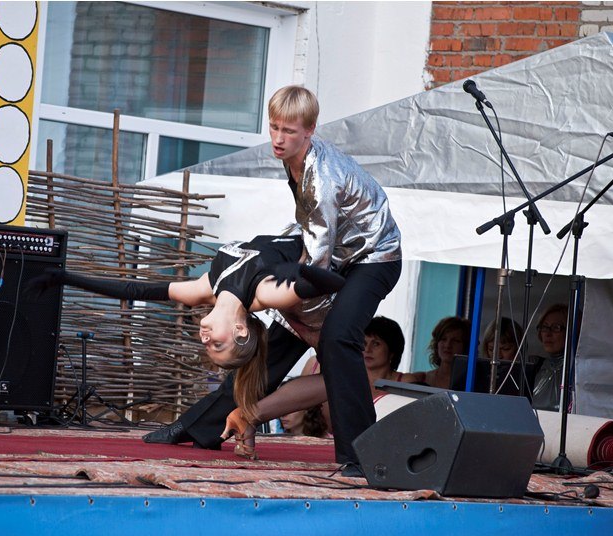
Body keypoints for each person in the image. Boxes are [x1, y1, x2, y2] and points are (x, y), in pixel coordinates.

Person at [146, 85, 402, 477]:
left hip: (373, 259)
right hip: (333, 257)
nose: (279, 139)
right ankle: (201, 426)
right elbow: (310, 239)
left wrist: (297, 307)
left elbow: (317, 263)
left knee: (337, 339)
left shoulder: (322, 178)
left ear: (310, 130)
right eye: (274, 128)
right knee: (277, 338)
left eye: (289, 131)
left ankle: (361, 455)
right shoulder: (294, 160)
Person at [26, 233, 344, 424]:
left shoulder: (204, 289)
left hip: (315, 230)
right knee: (341, 375)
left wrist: (65, 278)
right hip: (337, 244)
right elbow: (331, 282)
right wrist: (300, 270)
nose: (205, 340)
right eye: (217, 345)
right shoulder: (267, 294)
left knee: (341, 377)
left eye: (209, 347)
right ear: (240, 330)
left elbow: (135, 290)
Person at [221, 316, 407, 460]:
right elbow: (302, 409)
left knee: (338, 376)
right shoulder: (318, 365)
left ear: (392, 351)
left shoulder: (404, 381)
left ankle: (247, 415)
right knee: (339, 376)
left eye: (376, 344)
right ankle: (247, 415)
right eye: (364, 343)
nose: (367, 349)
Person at [413, 316, 471, 389]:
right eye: (443, 339)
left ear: (465, 346)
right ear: (436, 344)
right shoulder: (421, 379)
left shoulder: (470, 384)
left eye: (455, 341)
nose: (447, 345)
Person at [532, 303, 568, 411]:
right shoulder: (536, 367)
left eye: (556, 327)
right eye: (544, 327)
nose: (548, 334)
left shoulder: (578, 372)